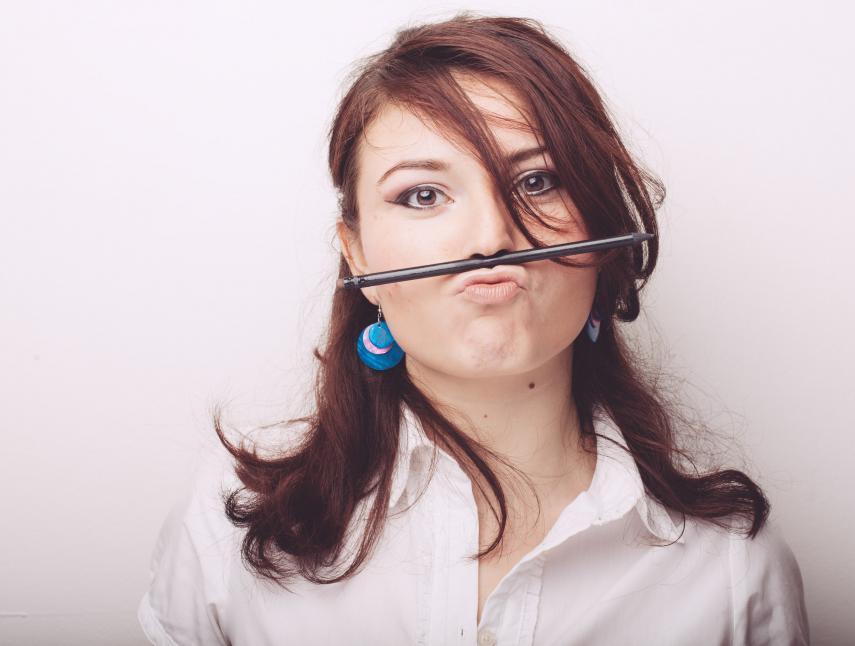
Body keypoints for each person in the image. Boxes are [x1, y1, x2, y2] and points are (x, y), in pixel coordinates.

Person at [138, 12, 810, 645]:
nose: (490, 238)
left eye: (539, 181)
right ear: (360, 256)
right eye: (423, 195)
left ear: (604, 236)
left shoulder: (730, 567)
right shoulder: (227, 527)